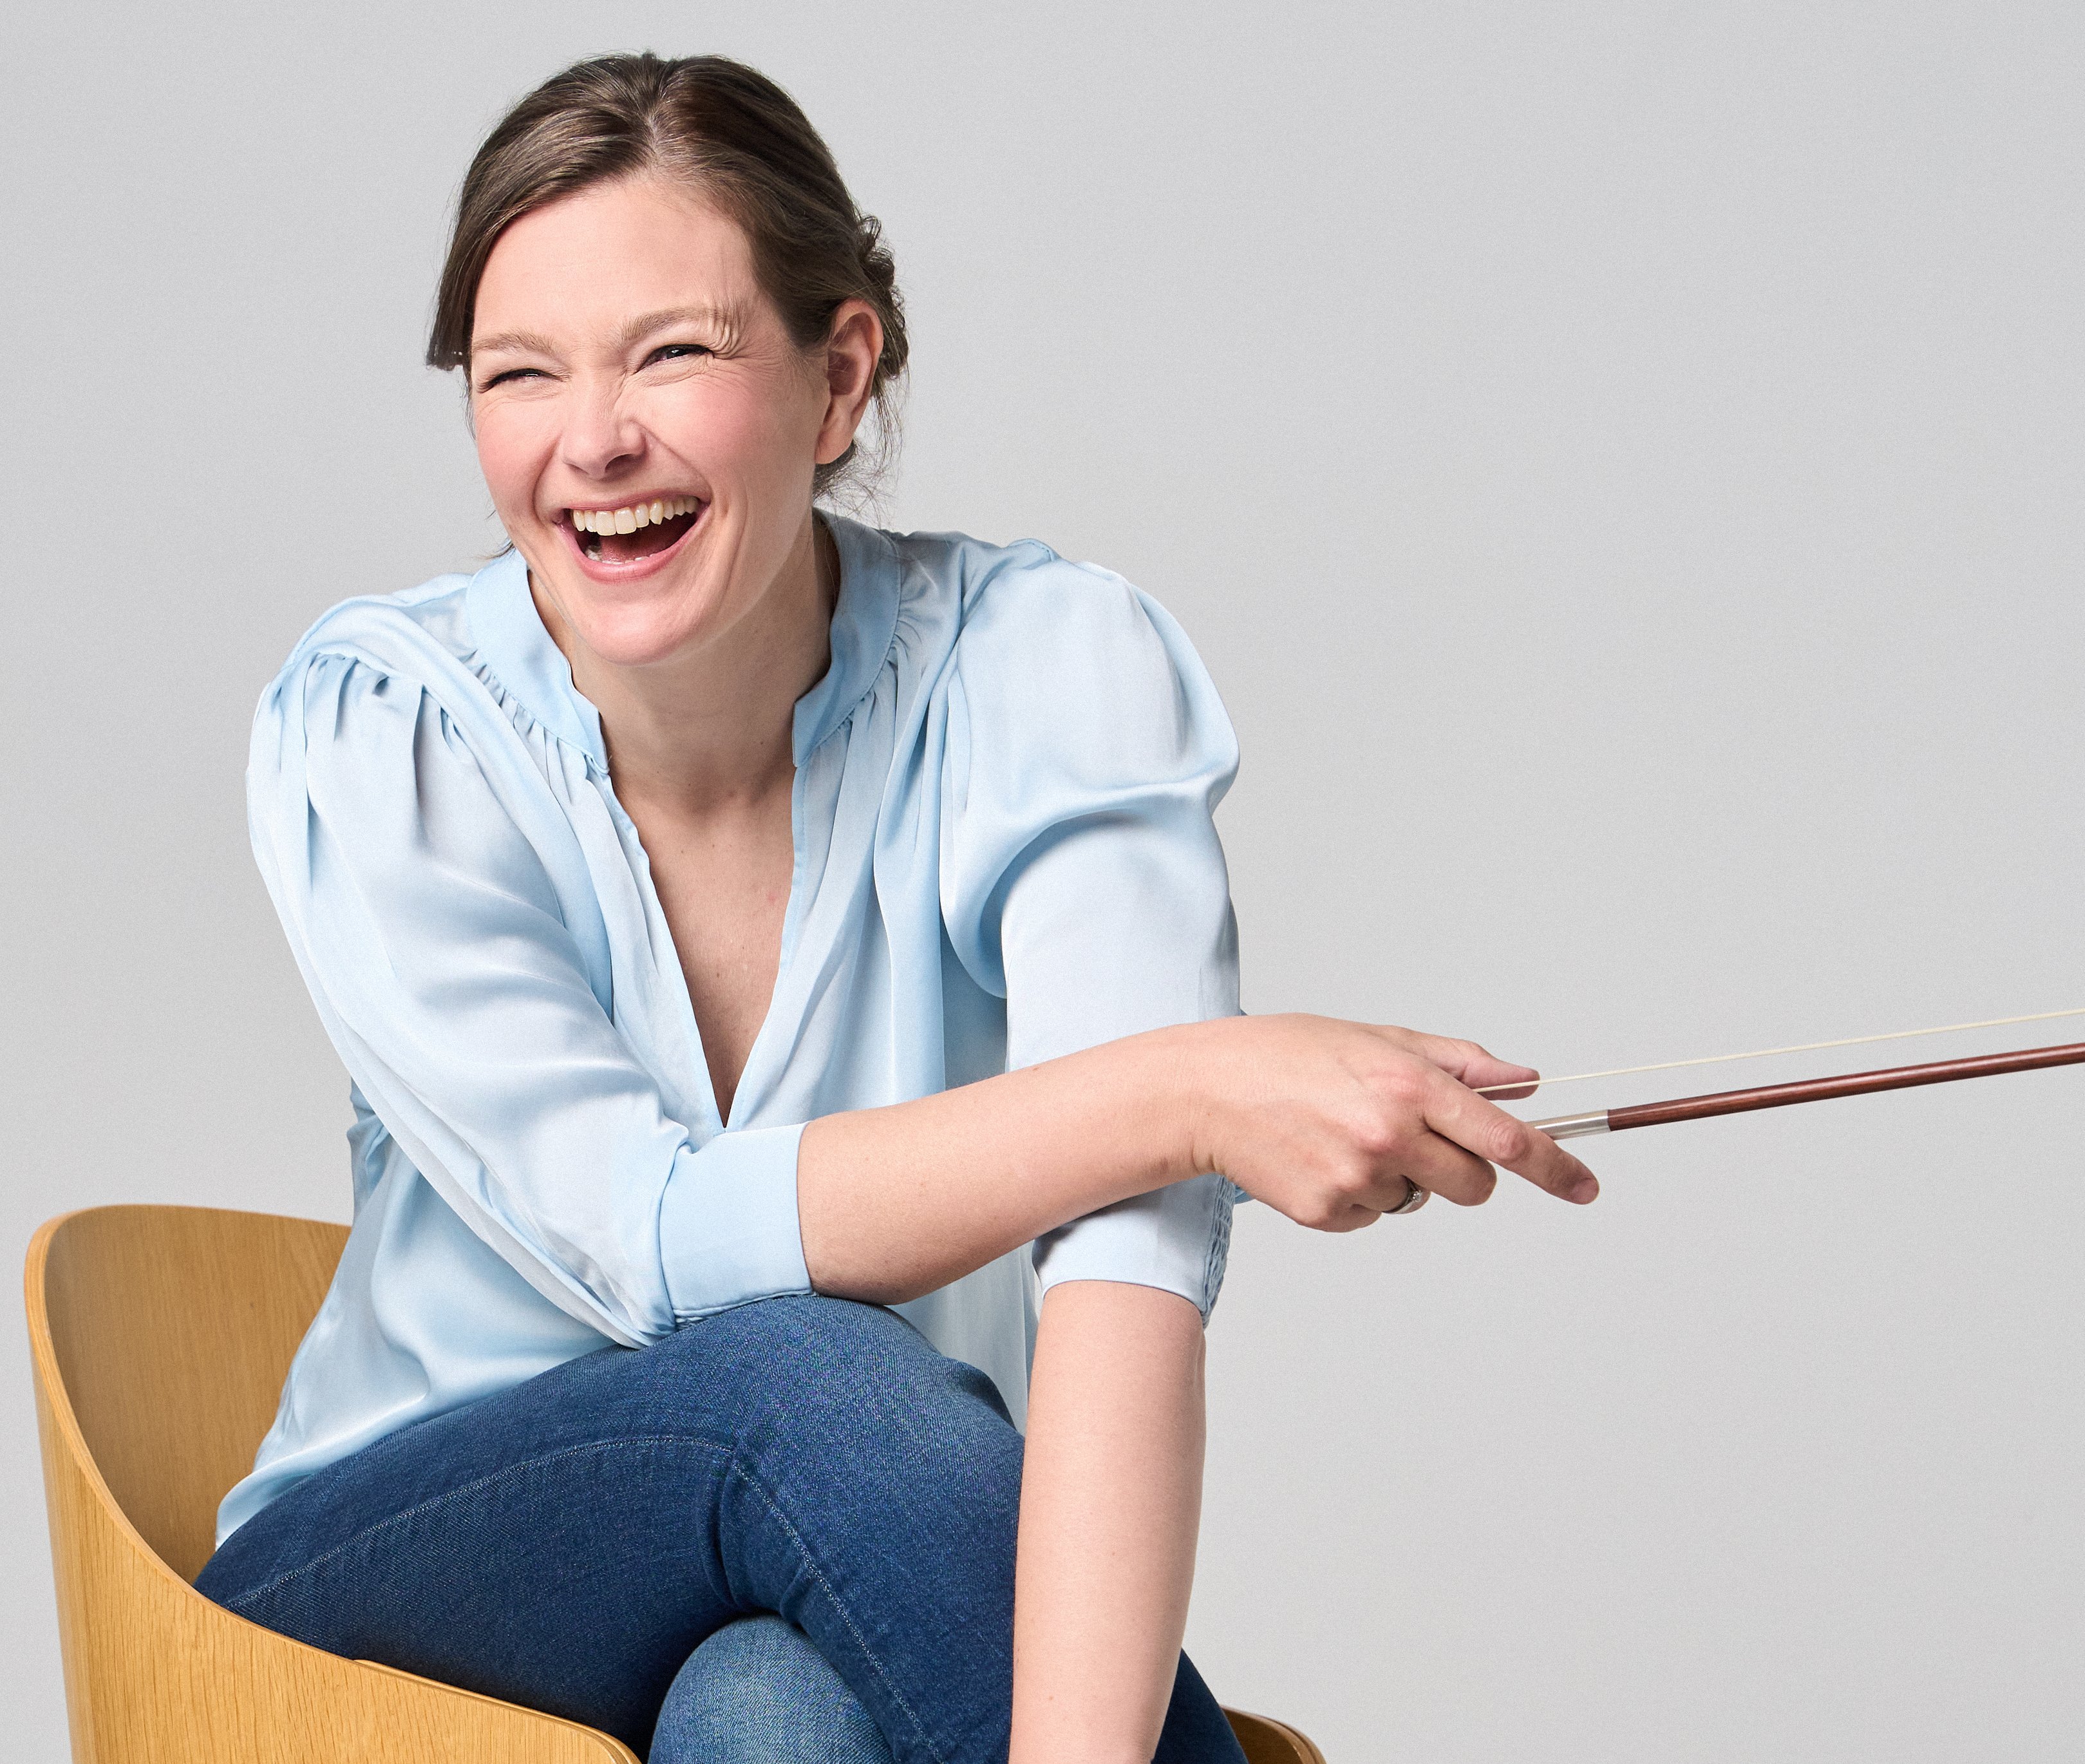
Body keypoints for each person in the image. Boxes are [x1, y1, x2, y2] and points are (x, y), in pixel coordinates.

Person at [193, 51, 1598, 1764]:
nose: (592, 439)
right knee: (805, 1377)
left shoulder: (1044, 677)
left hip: (819, 1567)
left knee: (770, 1721)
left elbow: (1124, 1264)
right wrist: (1185, 1092)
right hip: (386, 1588)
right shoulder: (387, 733)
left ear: (839, 374)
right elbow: (647, 1242)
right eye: (519, 375)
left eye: (674, 351)